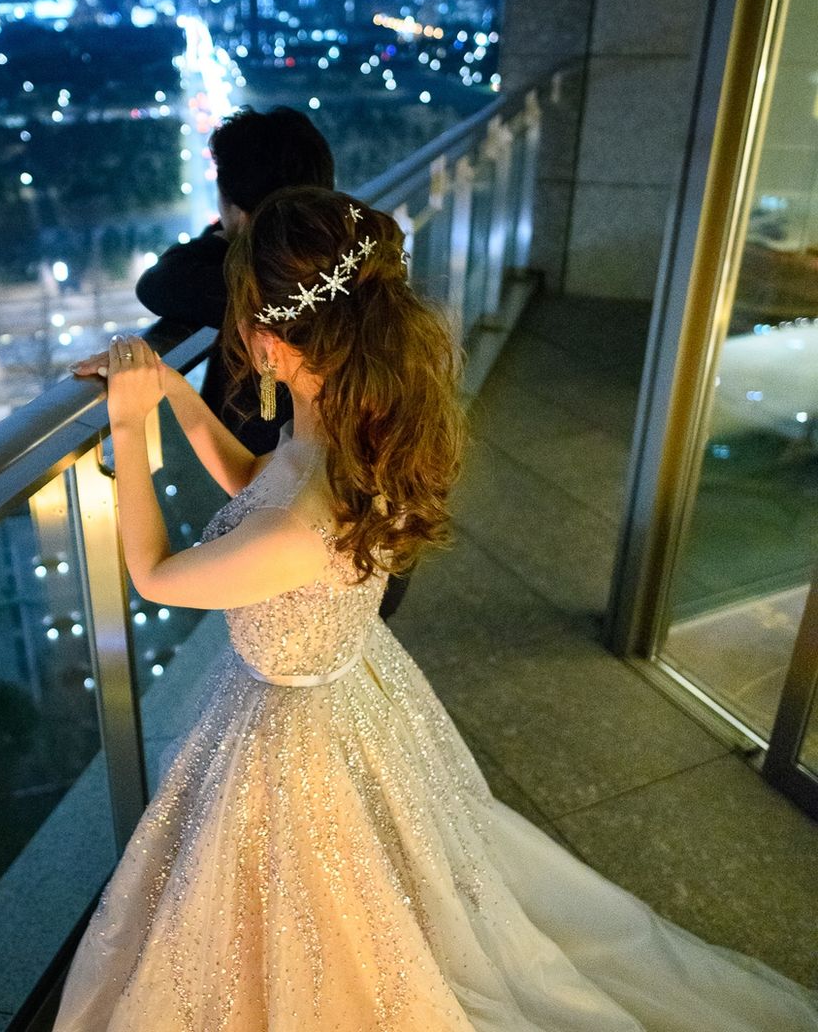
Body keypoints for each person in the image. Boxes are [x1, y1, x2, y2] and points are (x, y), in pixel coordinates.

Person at [59, 188, 818, 1031]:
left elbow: (155, 573)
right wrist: (170, 387)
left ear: (268, 344)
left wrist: (127, 427)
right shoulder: (347, 432)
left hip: (291, 739)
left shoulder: (299, 522)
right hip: (345, 693)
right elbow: (251, 479)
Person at [135, 105, 334, 454]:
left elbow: (157, 284)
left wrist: (224, 238)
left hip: (267, 464)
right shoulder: (341, 258)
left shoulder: (254, 286)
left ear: (241, 215)